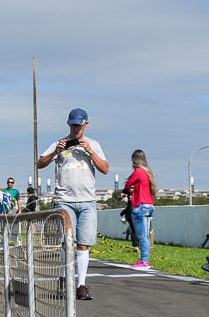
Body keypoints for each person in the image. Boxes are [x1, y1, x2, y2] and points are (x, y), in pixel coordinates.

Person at [37, 107, 109, 301]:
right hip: (65, 200)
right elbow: (40, 163)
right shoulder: (59, 144)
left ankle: (81, 284)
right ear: (69, 124)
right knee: (66, 242)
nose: (76, 129)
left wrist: (90, 151)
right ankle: (63, 278)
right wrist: (56, 152)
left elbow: (105, 169)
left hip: (87, 200)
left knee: (83, 244)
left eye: (80, 125)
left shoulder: (93, 144)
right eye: (73, 125)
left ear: (86, 124)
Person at [123, 149, 156, 269]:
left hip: (140, 206)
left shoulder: (138, 171)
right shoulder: (148, 172)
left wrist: (130, 189)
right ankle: (145, 260)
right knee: (146, 235)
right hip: (148, 205)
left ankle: (144, 261)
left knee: (142, 235)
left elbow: (127, 185)